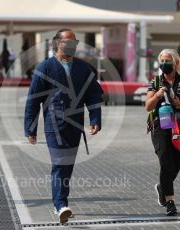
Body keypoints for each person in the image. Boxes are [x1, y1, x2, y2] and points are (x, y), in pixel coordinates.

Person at [24, 28, 103, 223]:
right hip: (53, 125)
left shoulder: (84, 69)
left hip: (75, 126)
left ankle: (60, 201)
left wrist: (95, 119)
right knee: (60, 165)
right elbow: (33, 100)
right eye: (68, 42)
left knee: (67, 166)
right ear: (57, 43)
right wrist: (30, 128)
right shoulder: (45, 68)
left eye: (74, 43)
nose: (71, 46)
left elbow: (94, 95)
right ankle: (60, 204)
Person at [145, 49, 180, 216]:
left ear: (175, 63)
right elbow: (147, 106)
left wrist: (179, 104)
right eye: (162, 60)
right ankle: (170, 202)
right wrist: (157, 95)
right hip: (160, 125)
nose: (164, 63)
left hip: (178, 126)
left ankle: (162, 186)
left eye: (167, 60)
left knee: (177, 162)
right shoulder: (155, 81)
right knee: (166, 161)